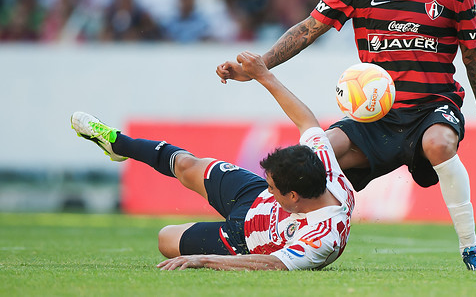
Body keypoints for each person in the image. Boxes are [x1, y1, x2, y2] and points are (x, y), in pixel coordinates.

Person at [217, 0, 476, 271]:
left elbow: (474, 58)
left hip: (431, 109)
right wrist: (259, 65)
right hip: (377, 115)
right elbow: (309, 29)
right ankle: (273, 236)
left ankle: (471, 248)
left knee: (439, 144)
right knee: (314, 157)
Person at [71, 51, 355, 271]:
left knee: (165, 239)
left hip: (243, 241)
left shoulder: (323, 237)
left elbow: (273, 264)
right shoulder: (324, 168)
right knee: (186, 165)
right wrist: (262, 74)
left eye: (274, 188)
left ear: (293, 196)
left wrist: (204, 260)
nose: (271, 190)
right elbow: (306, 120)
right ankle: (119, 145)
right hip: (250, 195)